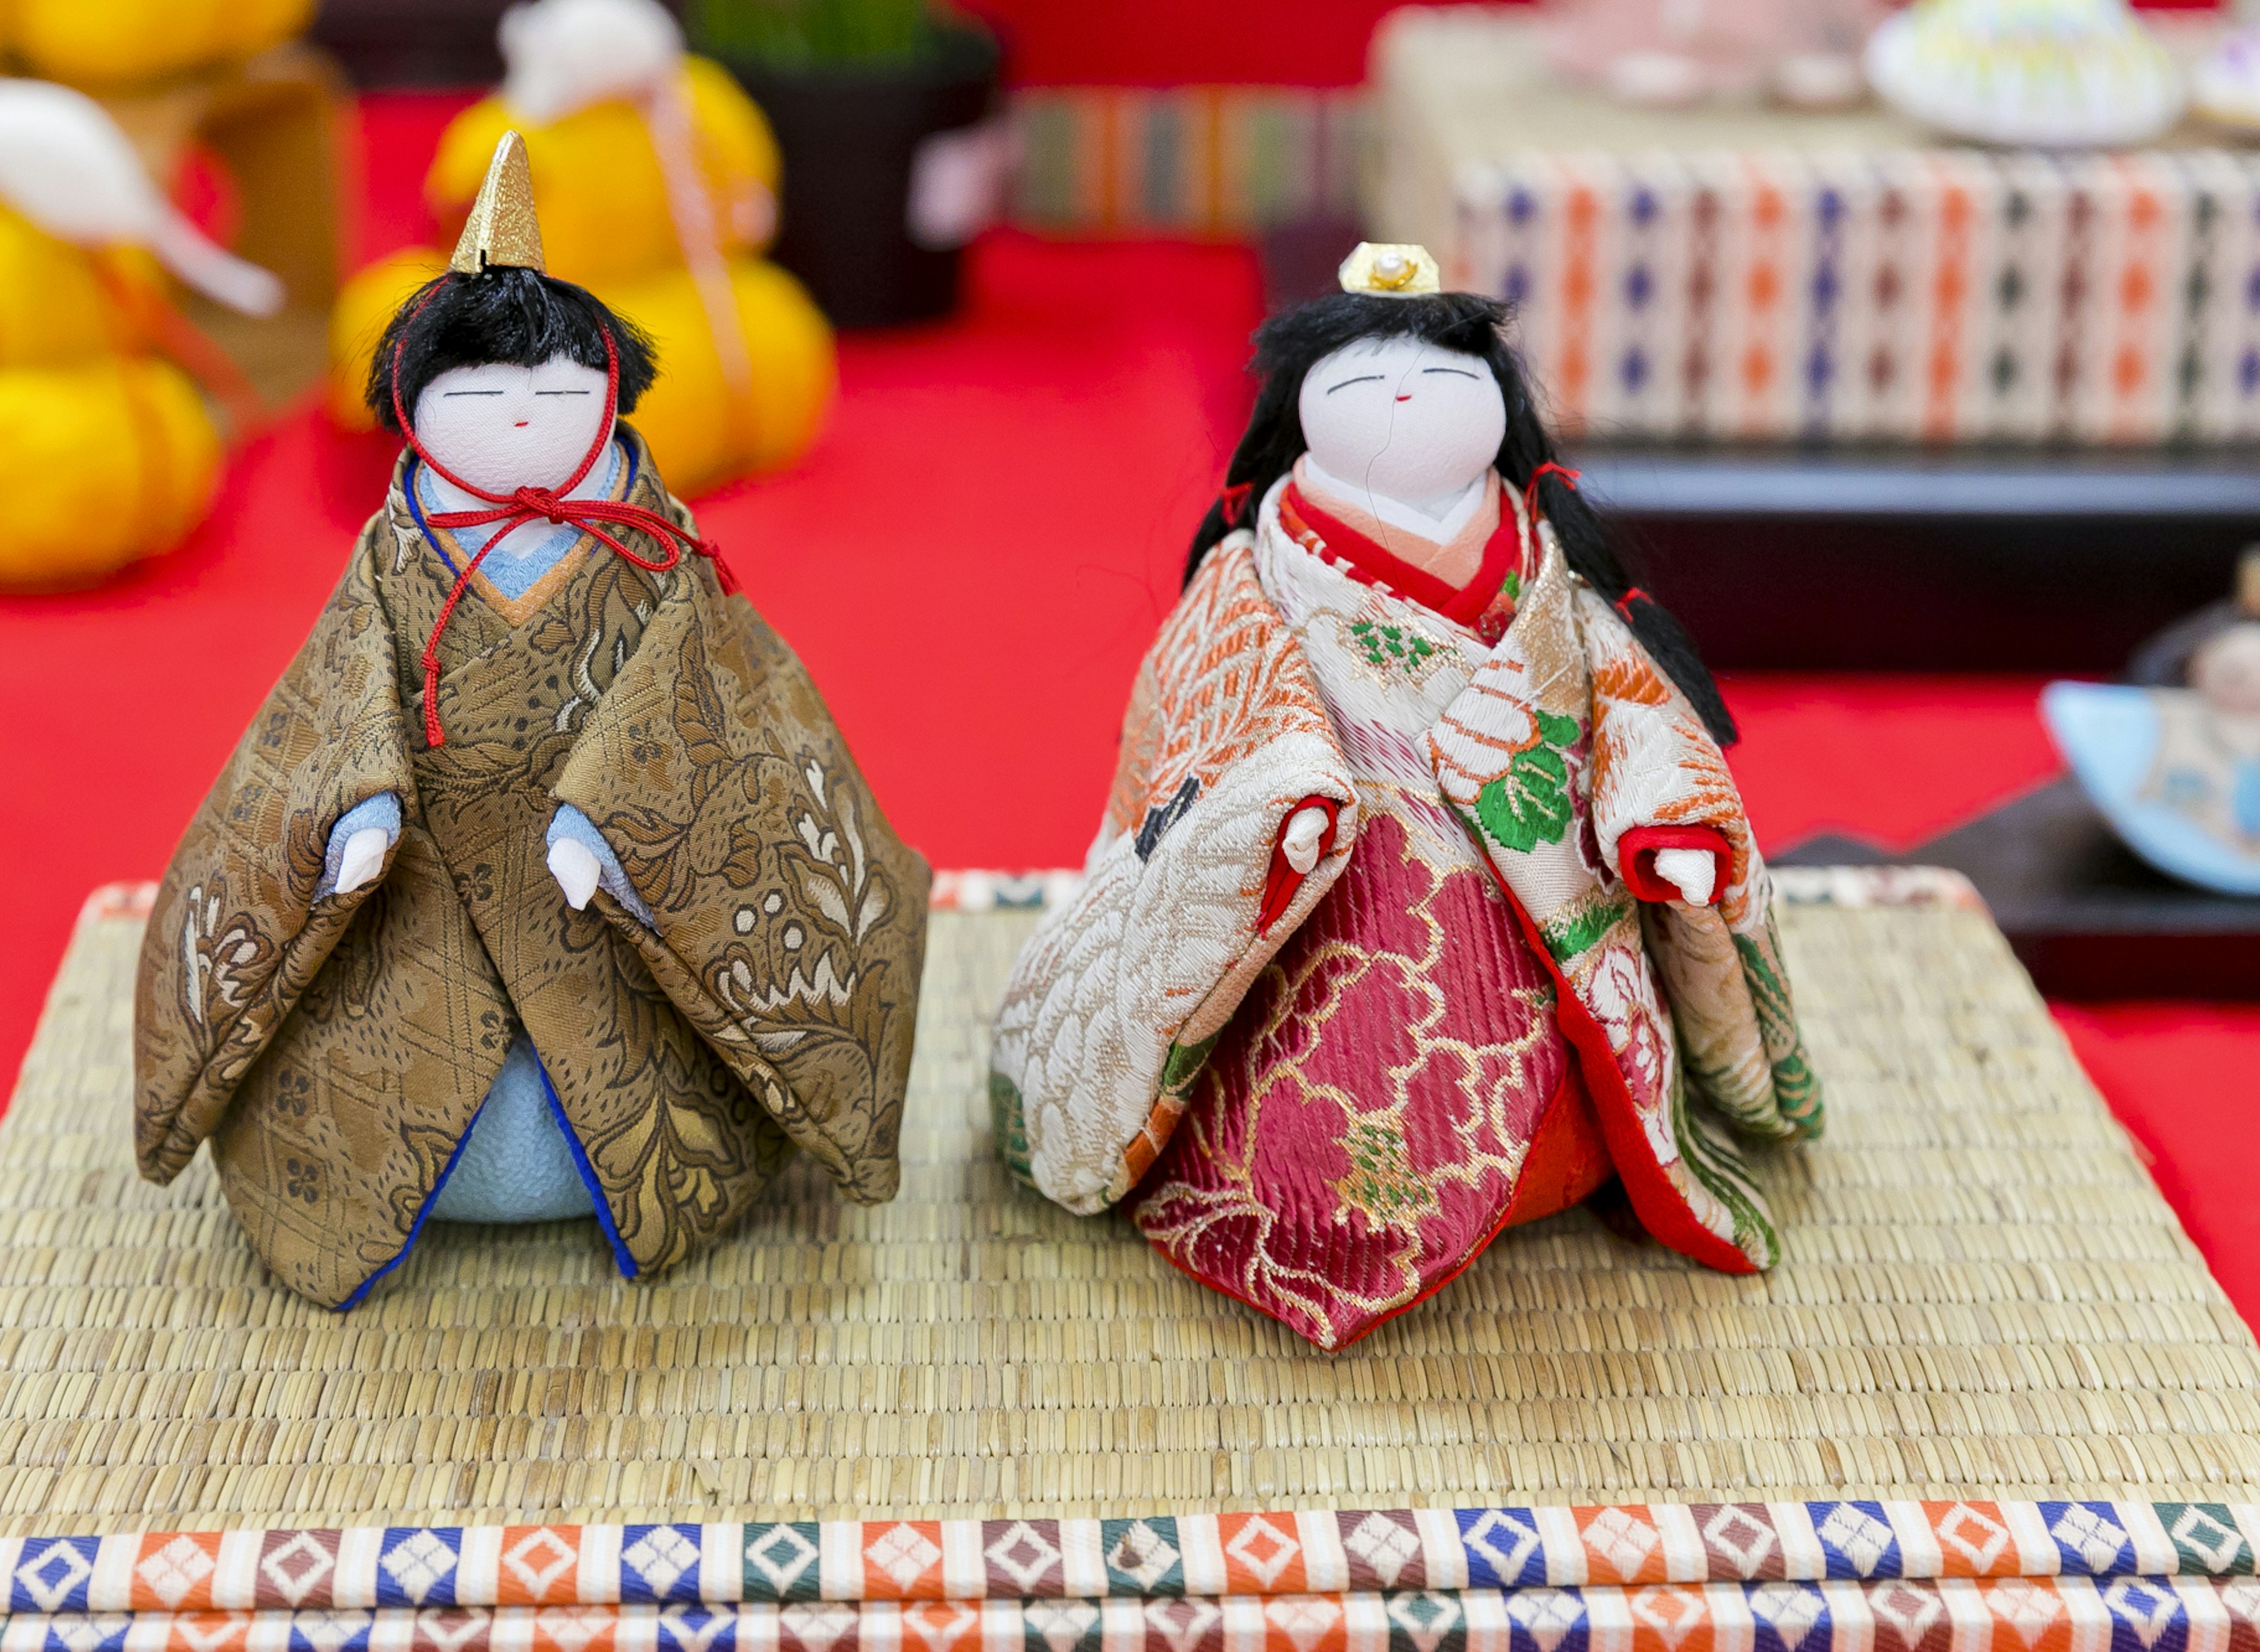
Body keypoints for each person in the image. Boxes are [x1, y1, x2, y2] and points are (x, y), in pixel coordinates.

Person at [133, 134, 928, 1308]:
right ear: (407, 398)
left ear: (612, 389)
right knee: (382, 1062)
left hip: (614, 918)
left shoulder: (653, 550)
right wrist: (352, 806)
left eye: (554, 389)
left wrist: (630, 822)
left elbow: (736, 707)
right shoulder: (394, 557)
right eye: (480, 389)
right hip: (418, 904)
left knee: (631, 1075)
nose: (519, 414)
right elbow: (326, 703)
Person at [993, 243, 1821, 1351]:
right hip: (1335, 877)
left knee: (1574, 1067)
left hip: (1548, 886)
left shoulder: (1542, 560)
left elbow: (1630, 694)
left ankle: (1561, 1156)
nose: (1400, 391)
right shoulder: (1259, 570)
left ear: (1498, 403)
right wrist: (1275, 803)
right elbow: (1213, 698)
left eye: (1441, 370)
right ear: (1296, 413)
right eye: (1357, 373)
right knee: (1330, 1096)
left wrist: (1666, 822)